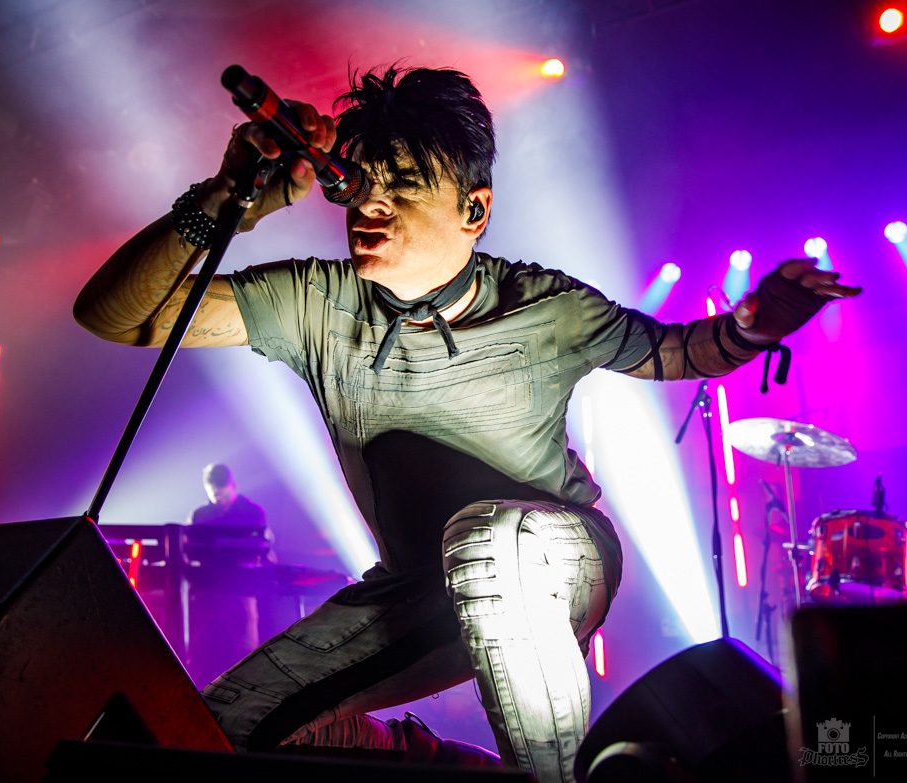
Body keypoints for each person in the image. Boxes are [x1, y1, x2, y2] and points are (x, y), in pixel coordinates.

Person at [74, 66, 860, 782]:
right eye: (364, 185)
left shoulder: (543, 304)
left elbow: (678, 350)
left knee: (492, 543)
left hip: (556, 554)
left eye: (406, 184)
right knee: (198, 733)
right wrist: (232, 194)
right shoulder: (314, 301)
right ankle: (424, 758)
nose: (372, 205)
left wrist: (756, 327)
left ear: (474, 208)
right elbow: (113, 314)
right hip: (413, 589)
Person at [185, 462, 274, 687]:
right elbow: (187, 550)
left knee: (247, 654)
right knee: (191, 649)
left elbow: (264, 550)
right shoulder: (200, 515)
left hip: (240, 591)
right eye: (212, 489)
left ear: (232, 485)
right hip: (205, 591)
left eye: (221, 488)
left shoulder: (252, 513)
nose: (216, 493)